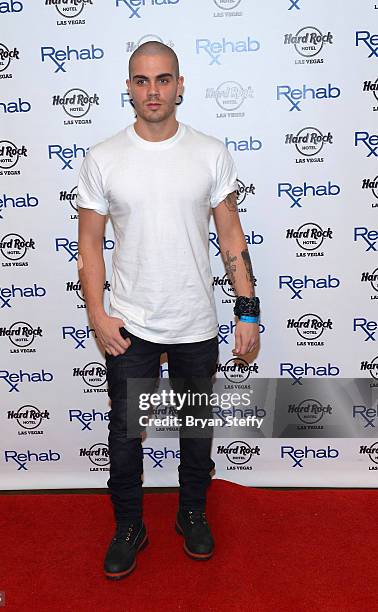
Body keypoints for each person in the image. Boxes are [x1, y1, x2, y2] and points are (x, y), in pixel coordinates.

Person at [77, 41, 260, 580]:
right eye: (141, 80)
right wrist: (98, 314)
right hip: (128, 323)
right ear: (128, 87)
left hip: (195, 320)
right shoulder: (103, 156)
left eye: (162, 79)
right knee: (126, 435)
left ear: (181, 85)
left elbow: (229, 231)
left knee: (197, 429)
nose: (152, 90)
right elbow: (89, 244)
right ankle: (130, 525)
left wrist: (247, 310)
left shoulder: (210, 151)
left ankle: (191, 512)